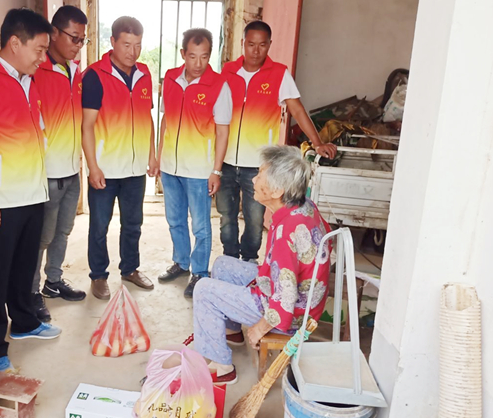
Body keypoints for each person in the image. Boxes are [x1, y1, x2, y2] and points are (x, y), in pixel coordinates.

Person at [0, 8, 61, 373]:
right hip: (0, 201)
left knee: (24, 268)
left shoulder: (27, 81)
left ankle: (24, 322)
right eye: (39, 49)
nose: (43, 58)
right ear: (14, 43)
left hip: (32, 194)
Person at [193, 146, 332, 385]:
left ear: (277, 190)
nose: (254, 180)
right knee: (222, 265)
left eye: (259, 175)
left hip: (293, 313)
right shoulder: (303, 205)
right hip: (297, 294)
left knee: (203, 290)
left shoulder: (287, 232)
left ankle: (222, 367)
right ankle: (232, 331)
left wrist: (260, 327)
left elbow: (285, 297)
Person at [218, 21, 336, 264]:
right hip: (226, 161)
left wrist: (316, 142)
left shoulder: (279, 74)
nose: (255, 50)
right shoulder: (228, 71)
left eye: (262, 45)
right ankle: (229, 260)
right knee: (226, 217)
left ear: (269, 45)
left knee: (254, 218)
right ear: (242, 43)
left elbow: (297, 110)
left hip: (259, 165)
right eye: (250, 44)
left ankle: (249, 260)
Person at [81, 16, 158, 300]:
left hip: (135, 170)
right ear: (112, 42)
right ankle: (99, 275)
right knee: (99, 226)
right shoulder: (94, 76)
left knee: (133, 224)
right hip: (106, 169)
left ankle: (130, 269)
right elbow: (87, 126)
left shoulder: (144, 74)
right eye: (126, 44)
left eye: (137, 45)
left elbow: (147, 117)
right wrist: (93, 167)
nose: (132, 52)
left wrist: (152, 154)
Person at [157, 28, 232, 298]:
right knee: (175, 220)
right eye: (192, 56)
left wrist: (216, 170)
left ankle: (200, 272)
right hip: (170, 167)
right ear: (183, 54)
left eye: (204, 56)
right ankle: (181, 262)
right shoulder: (170, 79)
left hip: (200, 171)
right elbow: (165, 119)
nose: (198, 63)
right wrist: (159, 156)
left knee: (200, 225)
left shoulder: (219, 85)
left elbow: (222, 132)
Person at [30, 5, 89, 322]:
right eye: (74, 38)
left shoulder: (75, 71)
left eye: (82, 40)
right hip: (48, 173)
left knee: (63, 231)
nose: (78, 45)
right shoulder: (36, 71)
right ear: (54, 33)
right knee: (42, 237)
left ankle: (53, 281)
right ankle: (31, 293)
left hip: (71, 168)